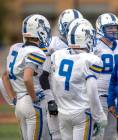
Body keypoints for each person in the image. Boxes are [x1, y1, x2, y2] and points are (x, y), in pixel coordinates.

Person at [50, 19, 107, 140]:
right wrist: (99, 115)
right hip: (81, 112)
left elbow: (54, 82)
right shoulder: (90, 59)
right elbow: (92, 90)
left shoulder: (58, 55)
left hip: (63, 112)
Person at [2, 14, 52, 140]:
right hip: (31, 102)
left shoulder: (16, 48)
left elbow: (4, 77)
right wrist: (34, 98)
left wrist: (13, 98)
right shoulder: (36, 52)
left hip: (19, 103)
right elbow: (27, 78)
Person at [39, 9, 83, 140]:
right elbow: (43, 75)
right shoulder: (52, 44)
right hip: (56, 96)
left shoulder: (83, 44)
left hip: (77, 98)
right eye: (70, 25)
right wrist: (49, 100)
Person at [94, 12, 118, 140]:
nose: (113, 30)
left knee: (112, 133)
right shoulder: (93, 46)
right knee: (98, 133)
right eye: (109, 27)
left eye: (115, 27)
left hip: (116, 97)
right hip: (99, 96)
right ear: (100, 29)